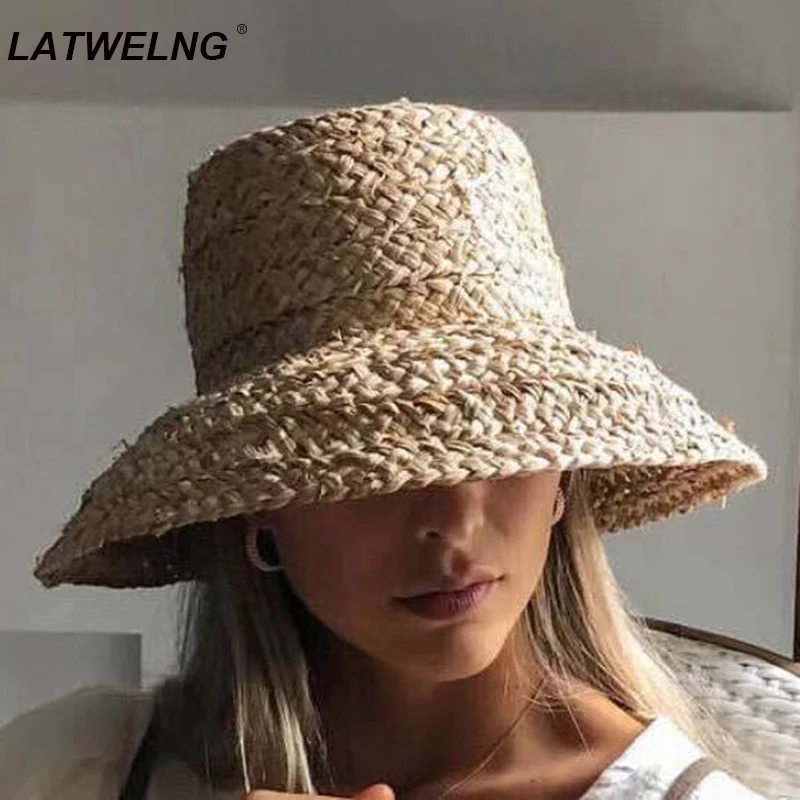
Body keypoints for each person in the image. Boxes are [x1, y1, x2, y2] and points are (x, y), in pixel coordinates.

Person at [0, 98, 770, 799]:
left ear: (563, 474)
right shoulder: (74, 767)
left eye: (504, 445)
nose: (454, 521)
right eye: (370, 461)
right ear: (257, 505)